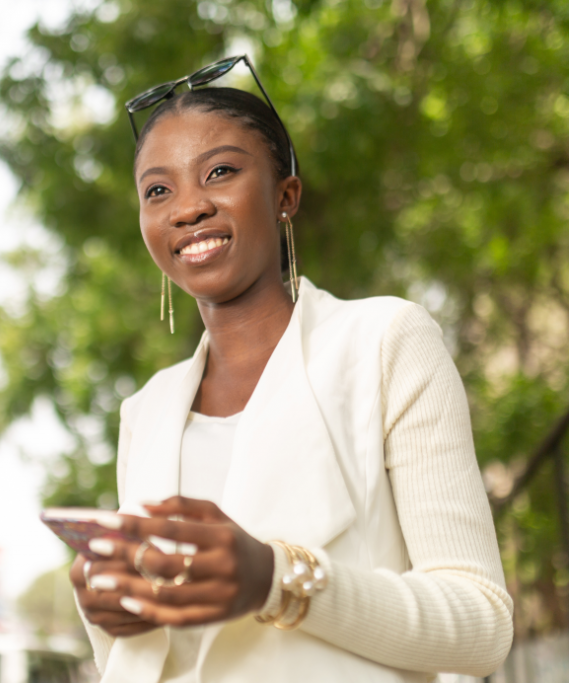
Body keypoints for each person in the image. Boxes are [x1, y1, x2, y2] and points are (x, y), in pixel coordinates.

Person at [68, 57, 513, 683]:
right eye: (158, 190)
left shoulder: (385, 342)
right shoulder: (146, 410)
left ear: (285, 196)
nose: (187, 208)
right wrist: (110, 612)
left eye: (219, 172)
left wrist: (277, 579)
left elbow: (481, 626)